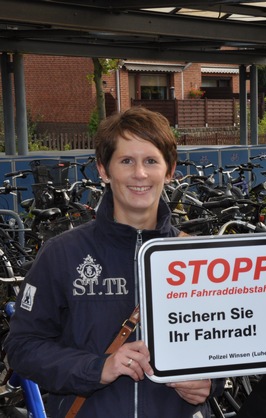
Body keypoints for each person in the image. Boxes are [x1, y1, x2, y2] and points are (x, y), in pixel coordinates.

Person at [4, 106, 218, 417]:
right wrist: (97, 368)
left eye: (151, 161)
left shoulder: (197, 258)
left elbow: (225, 343)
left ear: (169, 171)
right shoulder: (63, 254)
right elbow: (22, 347)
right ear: (104, 170)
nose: (139, 174)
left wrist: (211, 383)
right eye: (126, 161)